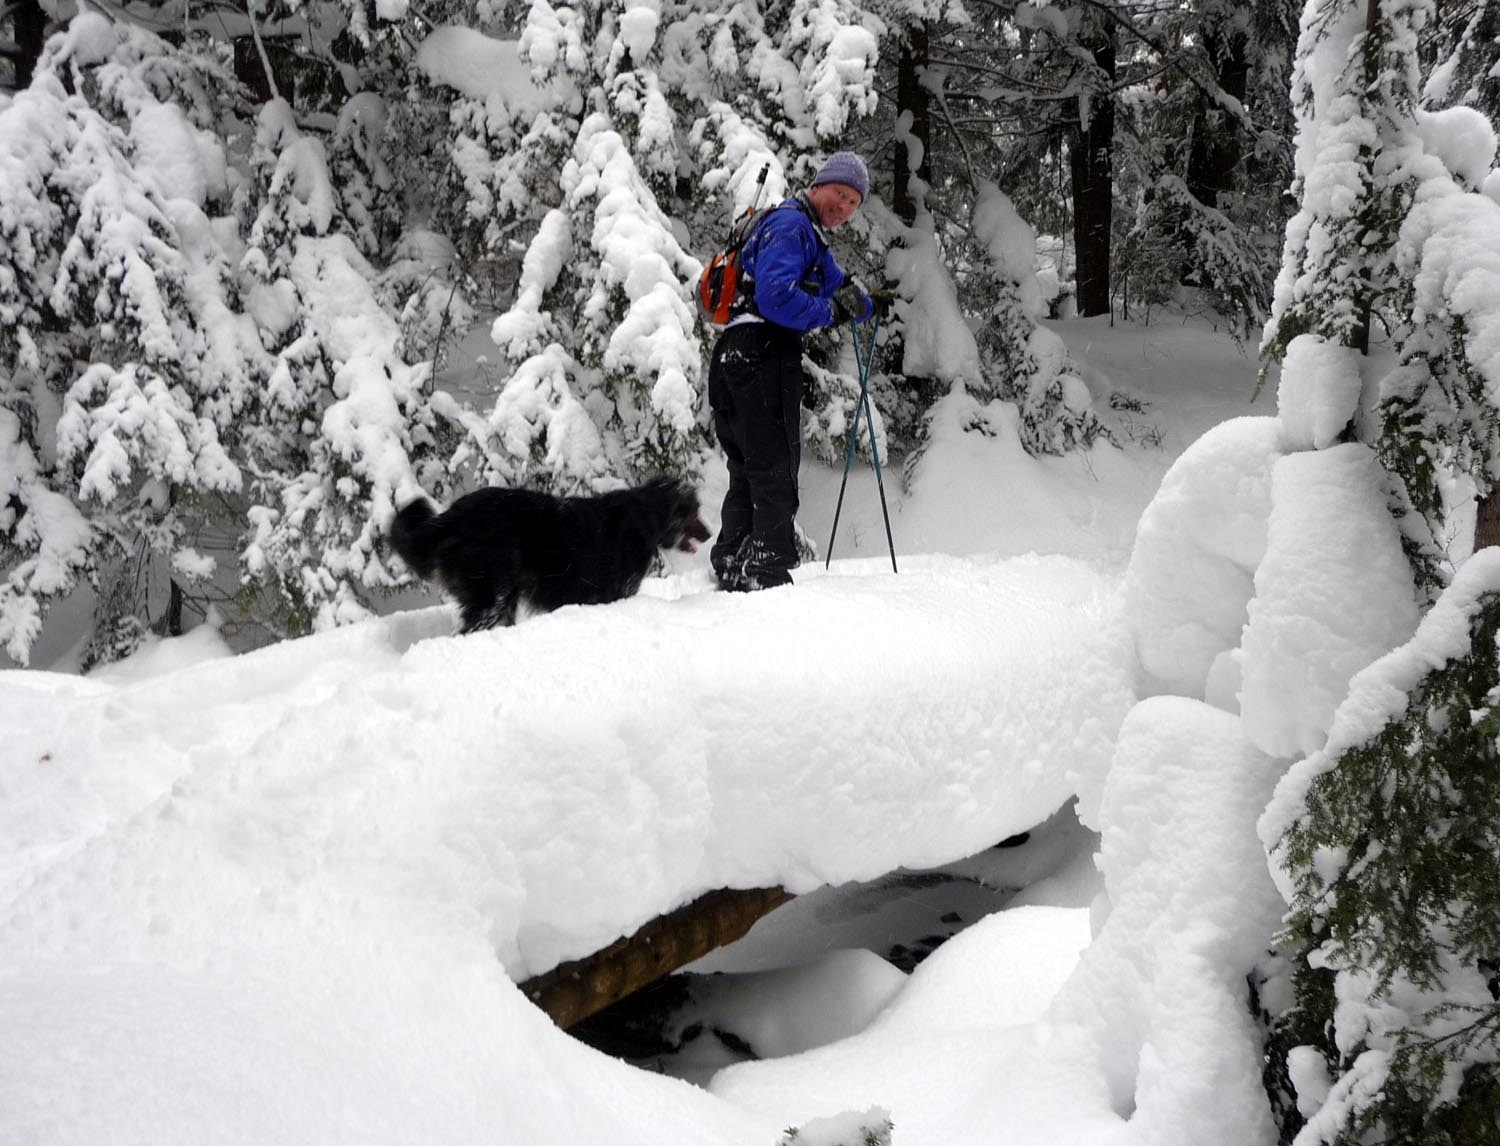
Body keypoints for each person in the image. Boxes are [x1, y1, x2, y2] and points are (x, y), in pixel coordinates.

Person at [707, 151, 875, 592]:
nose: (844, 207)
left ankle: (732, 562)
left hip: (733, 354)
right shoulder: (792, 226)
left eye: (853, 203)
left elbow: (837, 283)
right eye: (840, 194)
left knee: (748, 467)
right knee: (775, 465)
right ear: (818, 186)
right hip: (762, 351)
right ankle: (768, 569)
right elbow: (776, 297)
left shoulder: (801, 231)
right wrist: (831, 311)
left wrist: (862, 301)